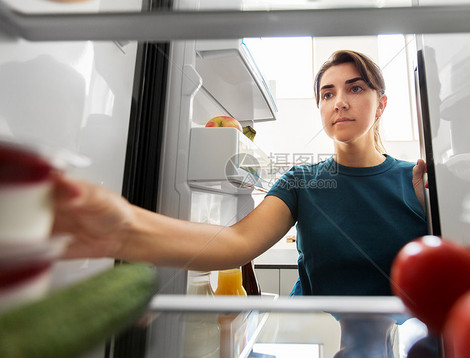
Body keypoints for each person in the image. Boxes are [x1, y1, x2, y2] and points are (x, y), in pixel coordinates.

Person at [52, 50, 428, 297]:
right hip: (312, 333)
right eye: (327, 94)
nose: (339, 102)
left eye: (355, 88)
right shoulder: (301, 181)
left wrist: (434, 210)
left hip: (395, 341)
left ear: (380, 105)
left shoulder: (414, 181)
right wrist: (123, 230)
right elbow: (235, 243)